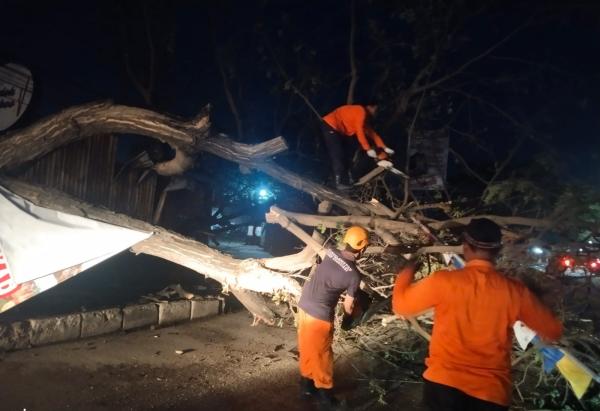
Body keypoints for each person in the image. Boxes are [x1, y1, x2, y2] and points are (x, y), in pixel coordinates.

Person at [392, 218, 563, 411]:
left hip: (443, 385)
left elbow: (401, 306)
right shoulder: (515, 291)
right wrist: (537, 298)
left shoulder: (445, 281)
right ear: (497, 251)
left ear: (465, 247)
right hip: (490, 394)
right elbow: (553, 331)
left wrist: (405, 272)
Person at [296, 225, 369, 408]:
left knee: (306, 347)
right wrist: (349, 319)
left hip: (304, 306)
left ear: (346, 241)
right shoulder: (354, 275)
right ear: (363, 248)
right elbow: (348, 304)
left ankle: (307, 387)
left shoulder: (331, 252)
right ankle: (326, 398)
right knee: (322, 355)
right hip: (319, 316)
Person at [321, 104, 394, 190]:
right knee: (337, 153)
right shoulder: (361, 111)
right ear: (370, 106)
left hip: (337, 130)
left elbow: (372, 134)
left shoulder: (364, 118)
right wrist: (368, 148)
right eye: (376, 110)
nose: (376, 113)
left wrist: (384, 147)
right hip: (330, 125)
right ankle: (338, 182)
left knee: (348, 152)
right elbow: (360, 132)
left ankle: (348, 177)